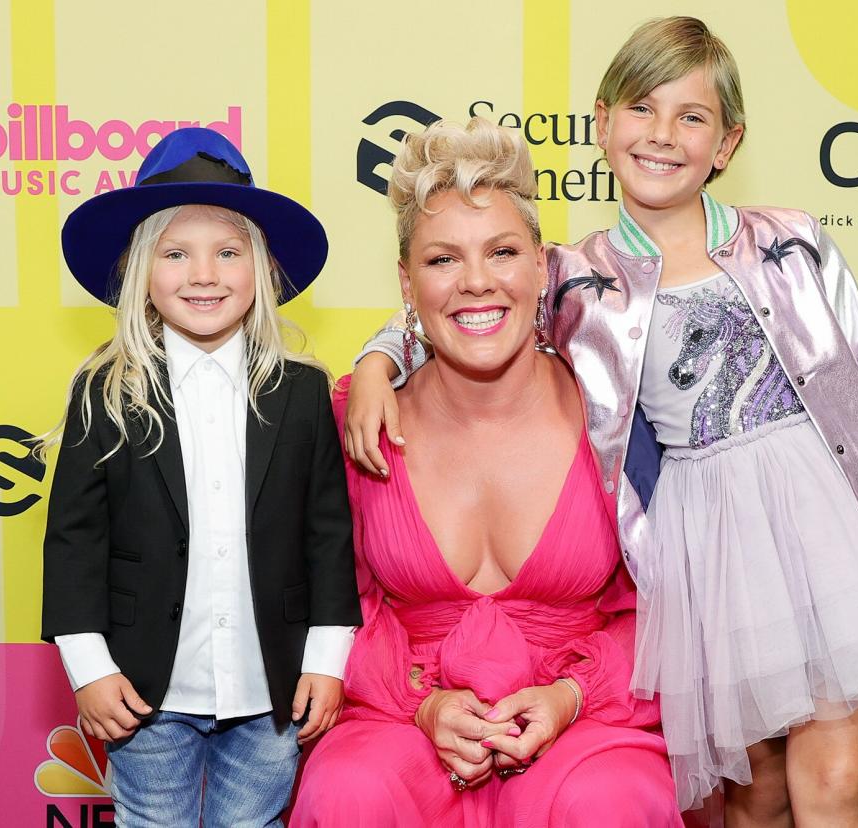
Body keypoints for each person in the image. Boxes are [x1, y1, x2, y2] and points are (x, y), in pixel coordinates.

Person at [345, 17, 858, 828]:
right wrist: (378, 362)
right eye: (643, 110)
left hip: (822, 534)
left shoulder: (790, 241)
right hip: (702, 552)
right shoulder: (574, 277)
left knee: (835, 776)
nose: (663, 135)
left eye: (692, 118)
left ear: (728, 143)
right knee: (754, 793)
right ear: (603, 122)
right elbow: (465, 301)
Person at [292, 118, 682, 827]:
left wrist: (569, 696)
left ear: (541, 266)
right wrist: (424, 703)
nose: (476, 282)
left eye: (501, 252)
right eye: (442, 261)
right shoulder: (352, 417)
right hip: (399, 717)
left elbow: (667, 606)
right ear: (407, 284)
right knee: (348, 790)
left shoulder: (621, 416)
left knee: (613, 801)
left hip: (585, 721)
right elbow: (323, 602)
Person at [39, 127, 361, 827]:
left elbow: (328, 535)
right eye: (176, 254)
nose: (204, 274)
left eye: (228, 252)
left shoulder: (302, 391)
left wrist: (328, 660)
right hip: (142, 690)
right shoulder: (105, 390)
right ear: (137, 272)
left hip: (269, 685)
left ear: (264, 270)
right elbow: (73, 543)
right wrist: (89, 668)